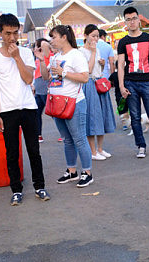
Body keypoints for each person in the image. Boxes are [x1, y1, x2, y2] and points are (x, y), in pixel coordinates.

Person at [0, 13, 49, 205]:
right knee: (12, 151)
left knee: (33, 149)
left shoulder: (26, 53)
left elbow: (29, 79)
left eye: (15, 33)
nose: (12, 38)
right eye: (7, 33)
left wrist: (16, 57)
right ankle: (16, 190)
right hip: (7, 111)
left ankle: (39, 186)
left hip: (28, 107)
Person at [41, 25, 94, 188]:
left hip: (74, 102)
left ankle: (87, 172)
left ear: (64, 37)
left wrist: (64, 72)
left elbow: (85, 78)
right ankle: (72, 171)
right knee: (67, 140)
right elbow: (45, 77)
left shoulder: (76, 55)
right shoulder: (55, 56)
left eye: (54, 37)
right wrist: (42, 58)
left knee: (79, 139)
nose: (52, 41)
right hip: (57, 102)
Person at [117, 6, 149, 158]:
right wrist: (121, 85)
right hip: (130, 82)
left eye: (134, 18)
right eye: (128, 19)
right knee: (135, 117)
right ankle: (141, 146)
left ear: (138, 19)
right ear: (125, 22)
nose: (131, 22)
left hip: (147, 82)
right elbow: (120, 65)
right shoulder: (123, 42)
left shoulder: (148, 38)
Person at [80, 24, 115, 161]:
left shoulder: (98, 50)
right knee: (92, 118)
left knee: (102, 116)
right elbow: (87, 70)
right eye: (93, 36)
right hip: (89, 84)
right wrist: (94, 53)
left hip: (99, 83)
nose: (95, 39)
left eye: (97, 36)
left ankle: (100, 149)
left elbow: (99, 71)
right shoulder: (82, 52)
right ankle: (93, 151)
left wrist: (101, 63)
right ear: (86, 36)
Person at [33, 38, 51, 143]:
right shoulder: (37, 58)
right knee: (37, 113)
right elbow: (35, 74)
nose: (35, 48)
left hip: (45, 86)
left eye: (37, 45)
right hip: (38, 87)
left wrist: (42, 44)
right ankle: (39, 135)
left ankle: (63, 134)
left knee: (52, 112)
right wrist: (34, 85)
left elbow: (45, 44)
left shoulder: (48, 56)